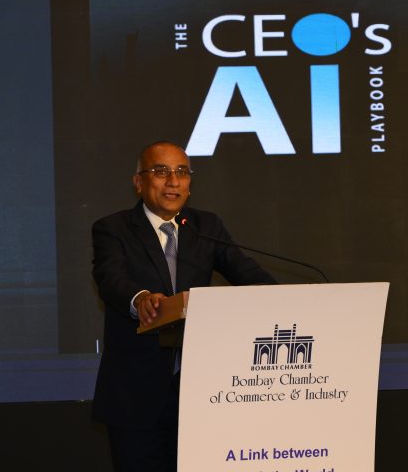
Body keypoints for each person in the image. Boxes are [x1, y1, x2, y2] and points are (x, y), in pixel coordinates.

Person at [91, 141, 275, 471]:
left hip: (202, 393)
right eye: (161, 171)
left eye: (182, 172)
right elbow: (111, 279)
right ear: (139, 182)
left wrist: (282, 297)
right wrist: (141, 298)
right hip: (136, 395)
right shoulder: (113, 228)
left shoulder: (206, 227)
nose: (173, 181)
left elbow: (245, 271)